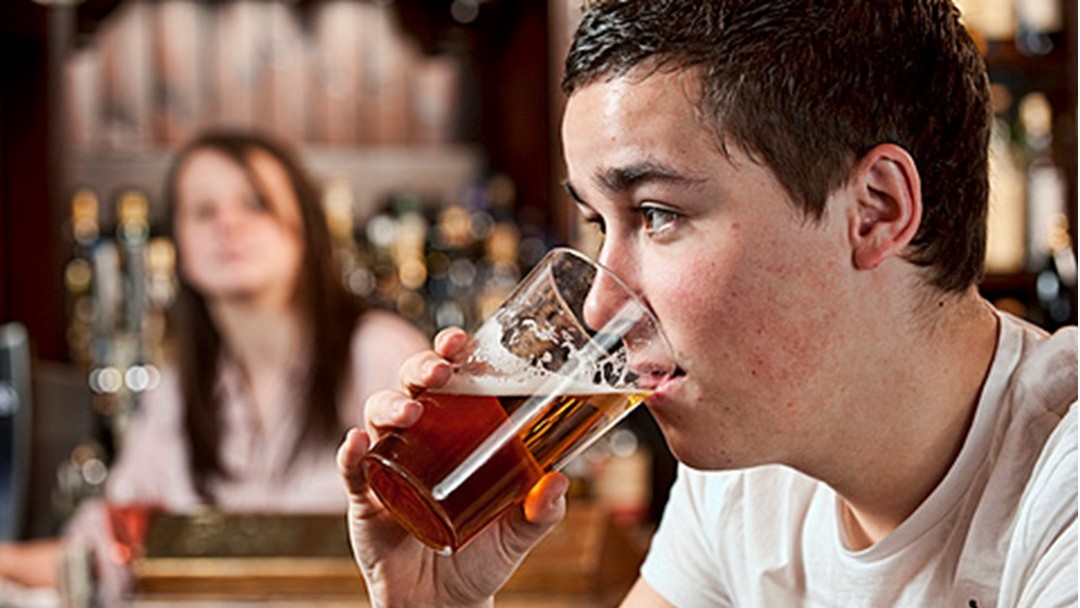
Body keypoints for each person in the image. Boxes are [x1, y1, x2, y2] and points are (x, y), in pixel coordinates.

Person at [337, 1, 1078, 606]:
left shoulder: (1061, 492)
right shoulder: (753, 470)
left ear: (875, 211)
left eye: (657, 214)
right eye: (600, 224)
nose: (598, 305)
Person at [0, 130, 429, 599]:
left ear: (305, 224)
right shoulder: (181, 388)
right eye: (203, 211)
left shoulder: (378, 352)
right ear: (179, 246)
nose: (228, 223)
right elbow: (103, 546)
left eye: (255, 203)